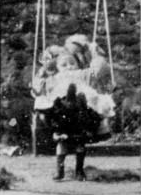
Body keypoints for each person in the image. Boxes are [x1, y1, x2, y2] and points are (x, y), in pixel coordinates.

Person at [31, 34, 115, 181]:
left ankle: (79, 170)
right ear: (57, 68)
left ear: (78, 65)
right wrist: (43, 70)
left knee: (80, 141)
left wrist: (94, 52)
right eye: (64, 65)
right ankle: (60, 170)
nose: (69, 67)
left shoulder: (82, 74)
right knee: (61, 139)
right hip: (62, 114)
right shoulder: (54, 79)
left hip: (80, 115)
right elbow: (39, 85)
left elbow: (98, 70)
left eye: (72, 64)